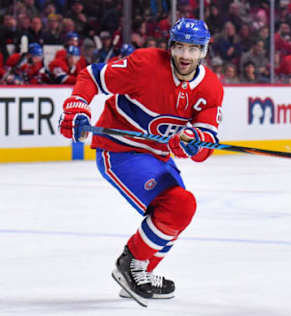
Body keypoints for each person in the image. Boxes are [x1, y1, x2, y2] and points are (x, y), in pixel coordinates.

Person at [58, 18, 223, 305]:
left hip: (157, 156)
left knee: (180, 211)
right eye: (180, 47)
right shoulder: (145, 65)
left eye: (194, 49)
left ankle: (138, 274)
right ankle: (130, 267)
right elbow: (91, 77)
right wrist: (77, 107)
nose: (186, 56)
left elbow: (204, 146)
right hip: (120, 151)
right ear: (170, 46)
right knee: (177, 205)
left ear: (204, 52)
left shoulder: (210, 88)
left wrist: (193, 142)